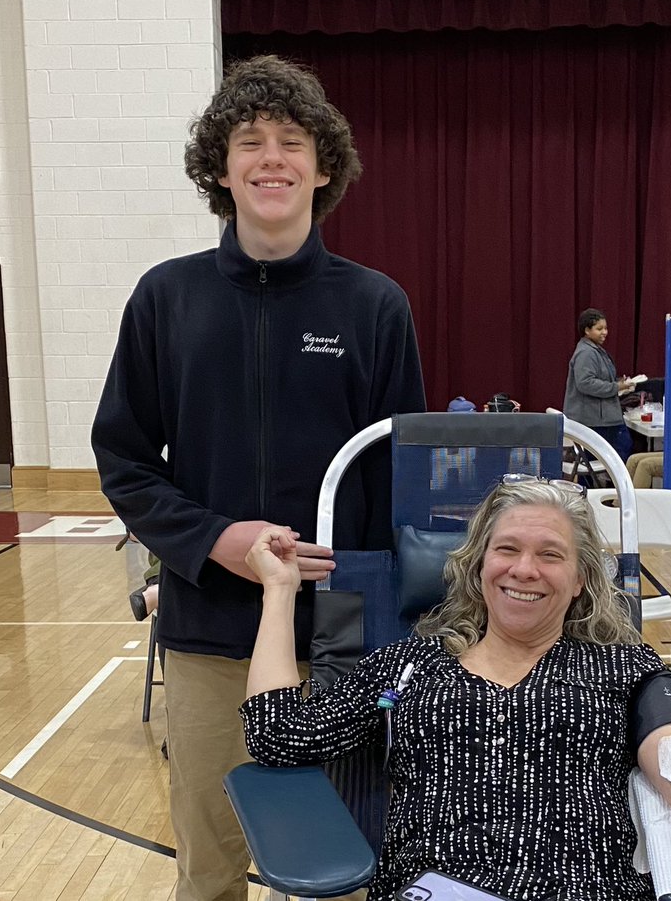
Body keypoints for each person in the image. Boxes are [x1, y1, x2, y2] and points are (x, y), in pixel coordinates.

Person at [91, 54, 426, 901]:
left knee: (344, 864)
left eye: (291, 141)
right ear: (220, 167)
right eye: (250, 141)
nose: (271, 157)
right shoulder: (165, 300)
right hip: (211, 636)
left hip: (345, 642)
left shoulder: (375, 305)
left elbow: (402, 485)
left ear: (323, 168)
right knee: (208, 865)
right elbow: (124, 459)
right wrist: (216, 540)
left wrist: (391, 625)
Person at [239, 479, 671, 901]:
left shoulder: (621, 669)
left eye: (551, 555)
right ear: (478, 565)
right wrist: (279, 590)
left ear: (584, 579)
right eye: (506, 549)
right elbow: (276, 731)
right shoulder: (410, 667)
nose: (524, 570)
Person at [563, 307, 634, 463]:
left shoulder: (595, 350)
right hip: (595, 420)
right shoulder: (586, 353)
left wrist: (618, 383)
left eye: (606, 328)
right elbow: (585, 383)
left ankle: (597, 486)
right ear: (587, 330)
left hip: (598, 418)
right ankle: (614, 486)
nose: (605, 332)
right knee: (623, 450)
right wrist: (616, 387)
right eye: (599, 329)